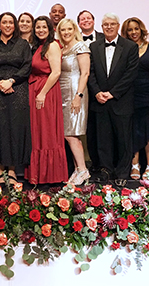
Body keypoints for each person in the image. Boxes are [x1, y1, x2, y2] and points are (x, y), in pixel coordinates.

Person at [88, 13, 139, 186]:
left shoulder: (130, 47)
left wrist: (113, 93)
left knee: (123, 139)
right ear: (101, 28)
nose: (109, 27)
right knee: (103, 139)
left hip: (121, 101)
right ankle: (106, 170)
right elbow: (91, 72)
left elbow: (130, 74)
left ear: (118, 26)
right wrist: (97, 92)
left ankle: (122, 172)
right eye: (105, 25)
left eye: (112, 24)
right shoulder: (94, 46)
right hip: (100, 100)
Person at [0, 12, 32, 184]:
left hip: (17, 88)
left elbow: (26, 66)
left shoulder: (23, 44)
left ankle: (12, 170)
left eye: (11, 22)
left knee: (15, 129)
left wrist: (11, 81)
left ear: (15, 25)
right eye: (5, 22)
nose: (8, 25)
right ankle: (0, 170)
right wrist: (0, 82)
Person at [25, 16, 67, 185]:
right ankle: (38, 173)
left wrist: (42, 93)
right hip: (36, 89)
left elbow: (56, 72)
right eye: (38, 27)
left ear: (50, 29)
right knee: (38, 132)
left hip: (46, 92)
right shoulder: (39, 46)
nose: (40, 30)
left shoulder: (52, 45)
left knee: (47, 132)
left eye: (44, 27)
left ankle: (50, 174)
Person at [121, 17, 149, 181]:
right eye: (130, 30)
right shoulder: (124, 49)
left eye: (136, 29)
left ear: (141, 30)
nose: (133, 32)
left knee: (148, 128)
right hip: (129, 93)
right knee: (132, 128)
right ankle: (134, 163)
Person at [57, 18, 91, 185]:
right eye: (63, 30)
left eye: (69, 29)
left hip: (75, 92)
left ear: (74, 29)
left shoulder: (81, 46)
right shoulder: (63, 48)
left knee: (71, 134)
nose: (66, 32)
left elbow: (85, 73)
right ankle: (78, 170)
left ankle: (83, 170)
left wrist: (78, 96)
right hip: (63, 93)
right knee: (67, 134)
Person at [77, 10, 104, 175]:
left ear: (94, 21)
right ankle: (91, 163)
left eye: (88, 18)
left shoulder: (103, 38)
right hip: (79, 88)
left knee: (99, 127)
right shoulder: (74, 39)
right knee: (87, 129)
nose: (85, 21)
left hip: (99, 89)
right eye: (82, 19)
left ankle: (103, 163)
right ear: (79, 24)